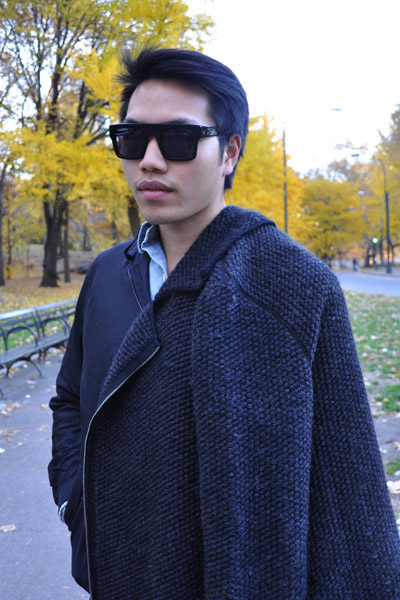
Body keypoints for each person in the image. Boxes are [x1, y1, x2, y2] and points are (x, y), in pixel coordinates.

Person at [48, 47, 400, 599]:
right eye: (133, 139)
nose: (152, 161)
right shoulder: (107, 275)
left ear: (230, 152)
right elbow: (71, 398)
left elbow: (347, 490)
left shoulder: (294, 285)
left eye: (181, 140)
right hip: (115, 571)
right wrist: (75, 500)